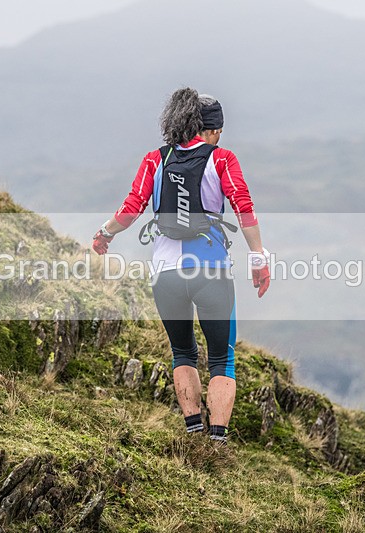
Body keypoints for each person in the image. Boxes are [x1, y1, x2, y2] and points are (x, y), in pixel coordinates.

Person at [91, 87, 270, 445]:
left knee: (183, 352)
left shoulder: (155, 159)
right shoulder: (222, 160)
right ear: (213, 130)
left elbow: (131, 208)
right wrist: (258, 257)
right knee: (222, 358)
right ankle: (216, 444)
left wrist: (103, 235)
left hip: (167, 275)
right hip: (211, 273)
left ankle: (192, 434)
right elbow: (243, 206)